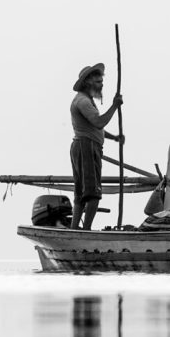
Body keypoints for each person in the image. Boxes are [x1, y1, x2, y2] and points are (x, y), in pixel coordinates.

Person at [69, 63, 124, 230]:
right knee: (92, 193)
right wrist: (115, 106)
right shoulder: (83, 101)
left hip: (85, 146)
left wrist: (114, 137)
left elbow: (94, 127)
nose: (101, 84)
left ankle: (75, 228)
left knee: (81, 192)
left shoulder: (86, 100)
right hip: (86, 147)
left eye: (102, 81)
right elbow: (99, 122)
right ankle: (85, 230)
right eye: (98, 81)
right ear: (88, 82)